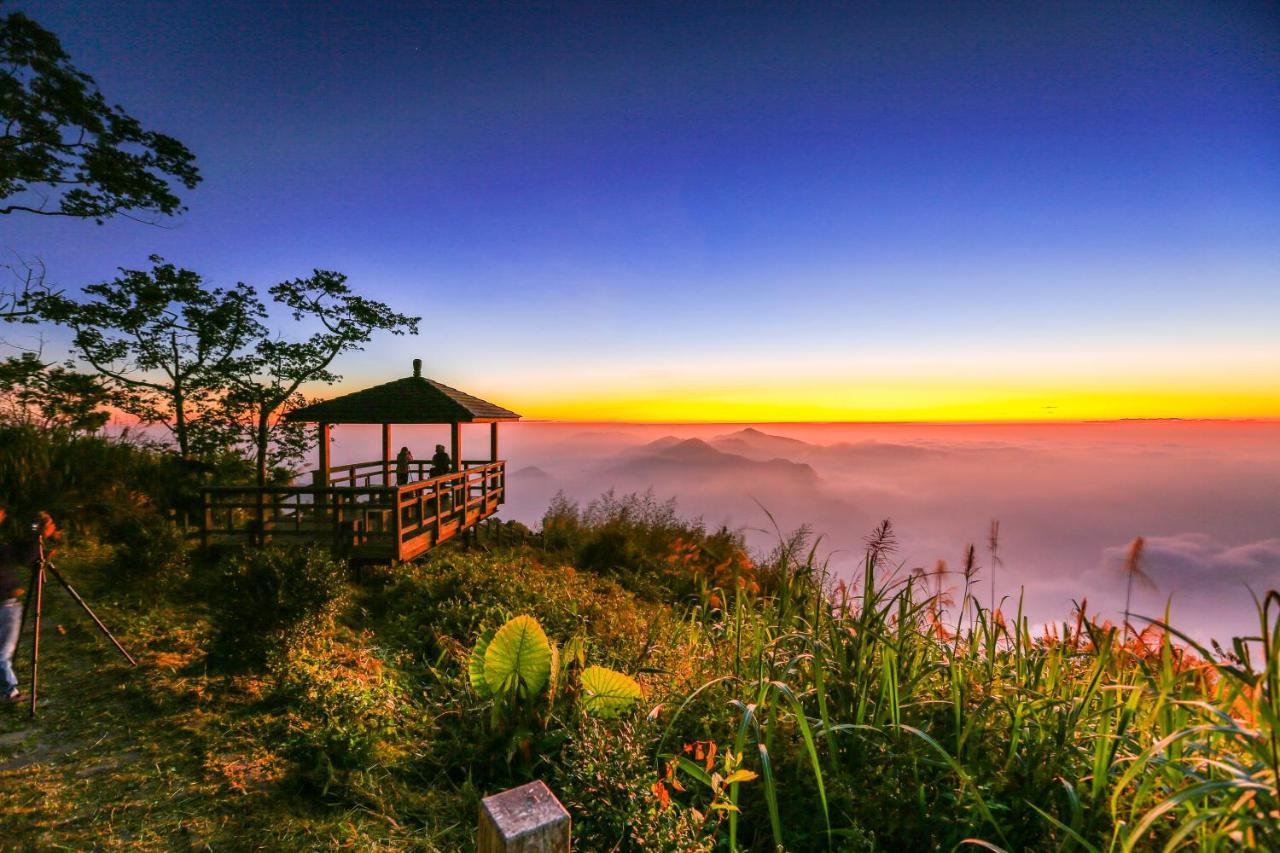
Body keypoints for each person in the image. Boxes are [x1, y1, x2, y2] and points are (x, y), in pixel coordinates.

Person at [0, 510, 57, 703]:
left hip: (7, 602)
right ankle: (8, 691)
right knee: (3, 652)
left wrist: (38, 540)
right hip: (5, 604)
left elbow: (18, 555)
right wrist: (39, 537)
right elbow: (22, 557)